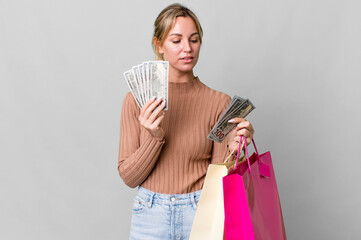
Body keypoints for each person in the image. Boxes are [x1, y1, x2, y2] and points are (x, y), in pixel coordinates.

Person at [118, 3, 254, 240]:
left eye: (194, 39)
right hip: (150, 214)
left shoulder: (218, 102)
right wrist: (155, 137)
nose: (187, 48)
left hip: (201, 211)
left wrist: (236, 151)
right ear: (158, 45)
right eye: (176, 40)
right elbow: (130, 178)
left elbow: (219, 182)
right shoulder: (136, 101)